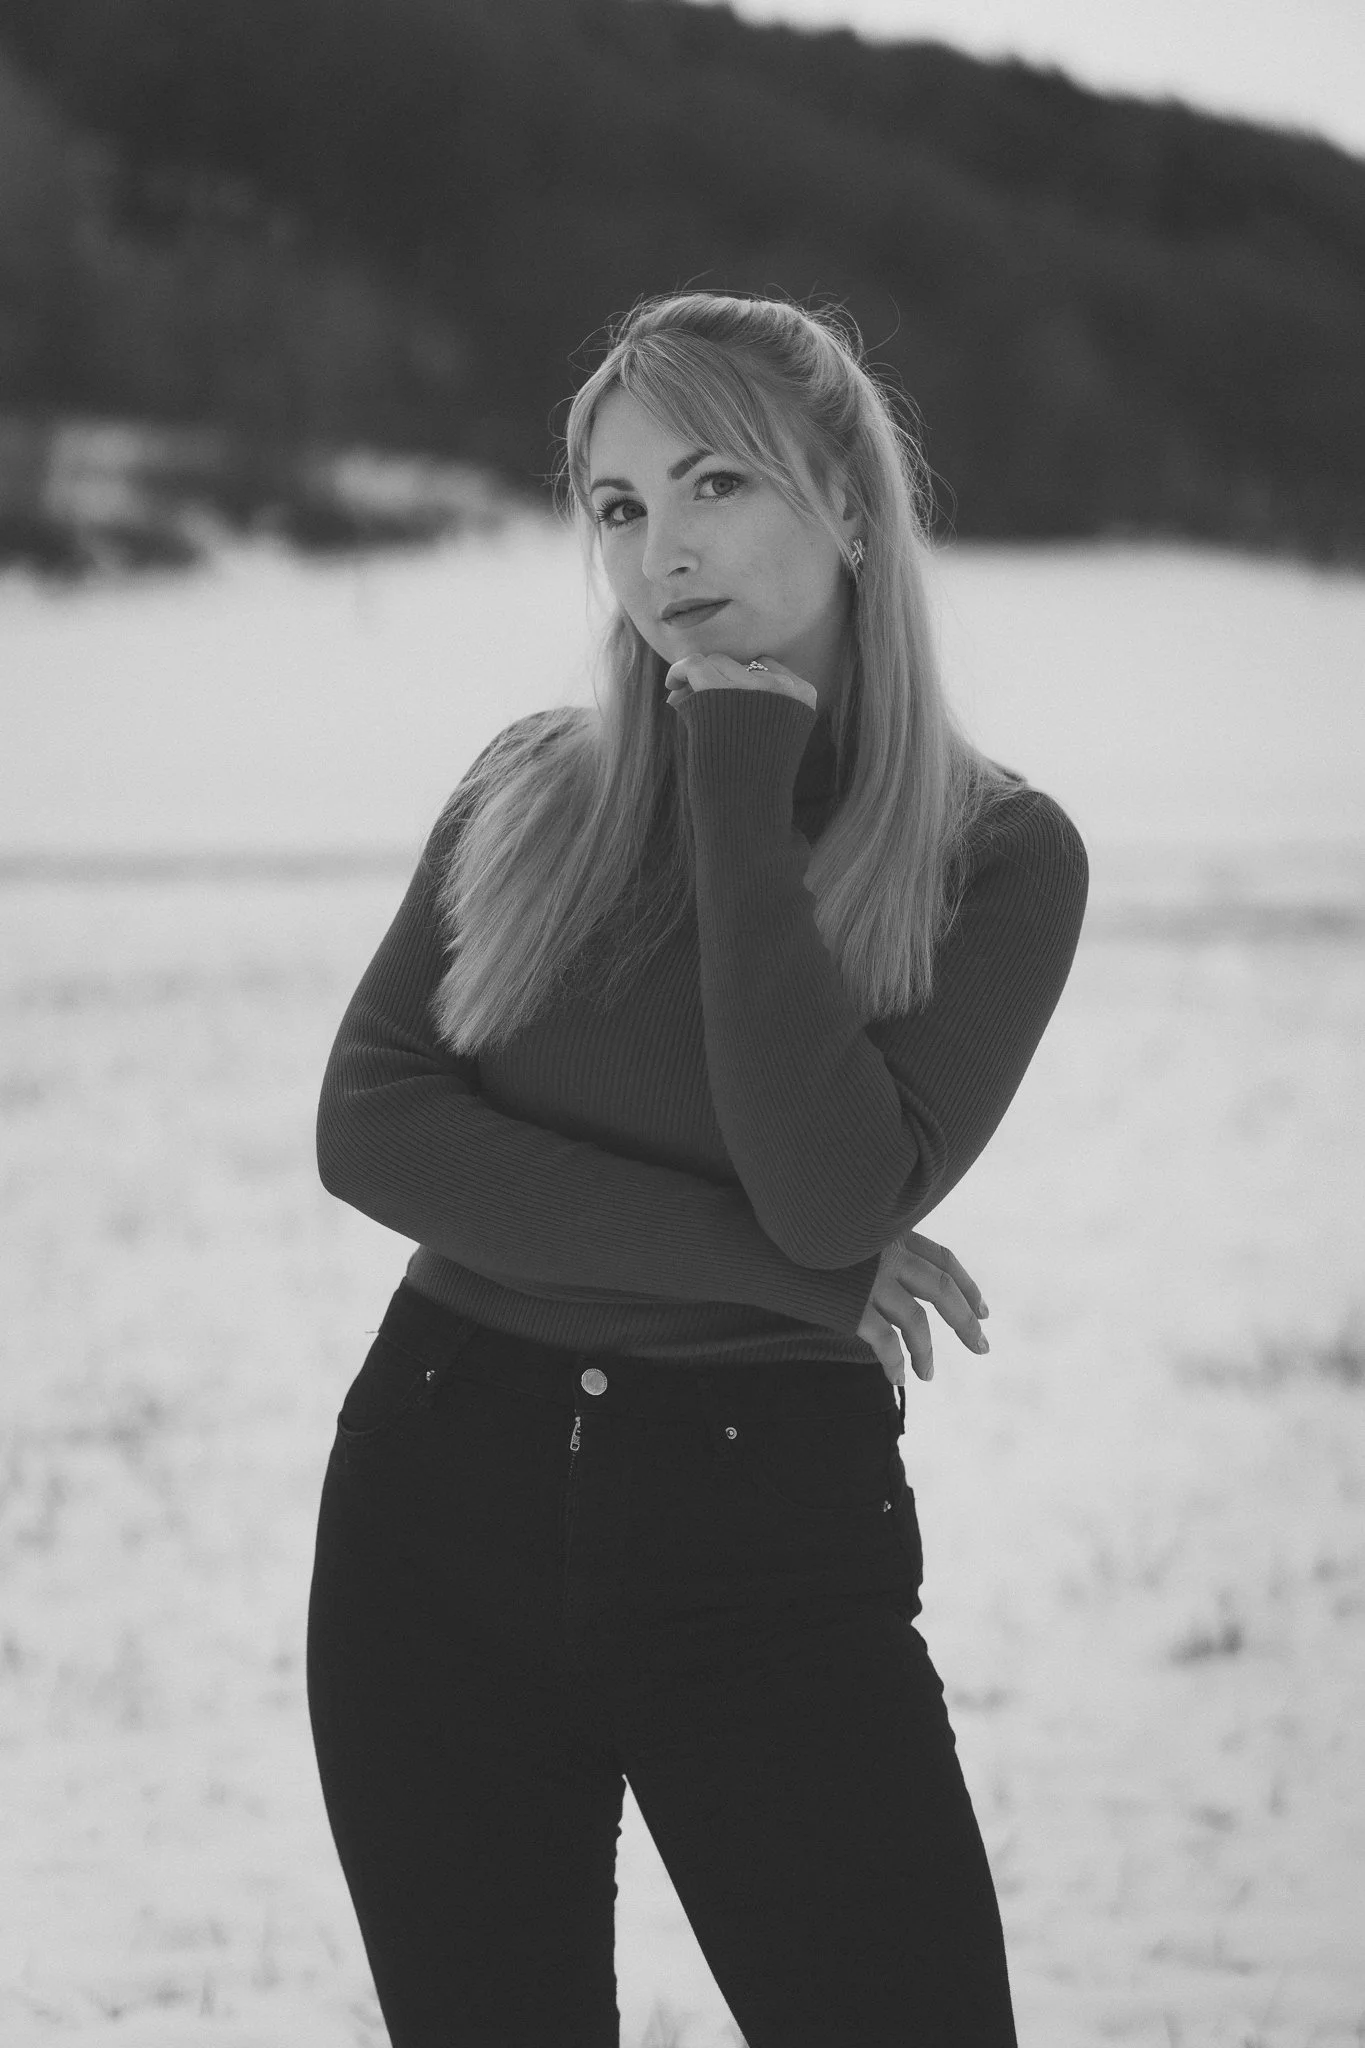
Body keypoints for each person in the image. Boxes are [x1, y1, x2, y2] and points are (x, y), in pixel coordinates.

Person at [306, 290, 1088, 2048]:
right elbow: (372, 1123)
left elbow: (832, 1197)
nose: (661, 551)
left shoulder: (997, 859)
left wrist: (743, 769)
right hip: (437, 1509)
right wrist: (785, 1279)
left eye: (714, 482)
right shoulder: (533, 790)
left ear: (850, 504)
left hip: (767, 1545)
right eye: (619, 505)